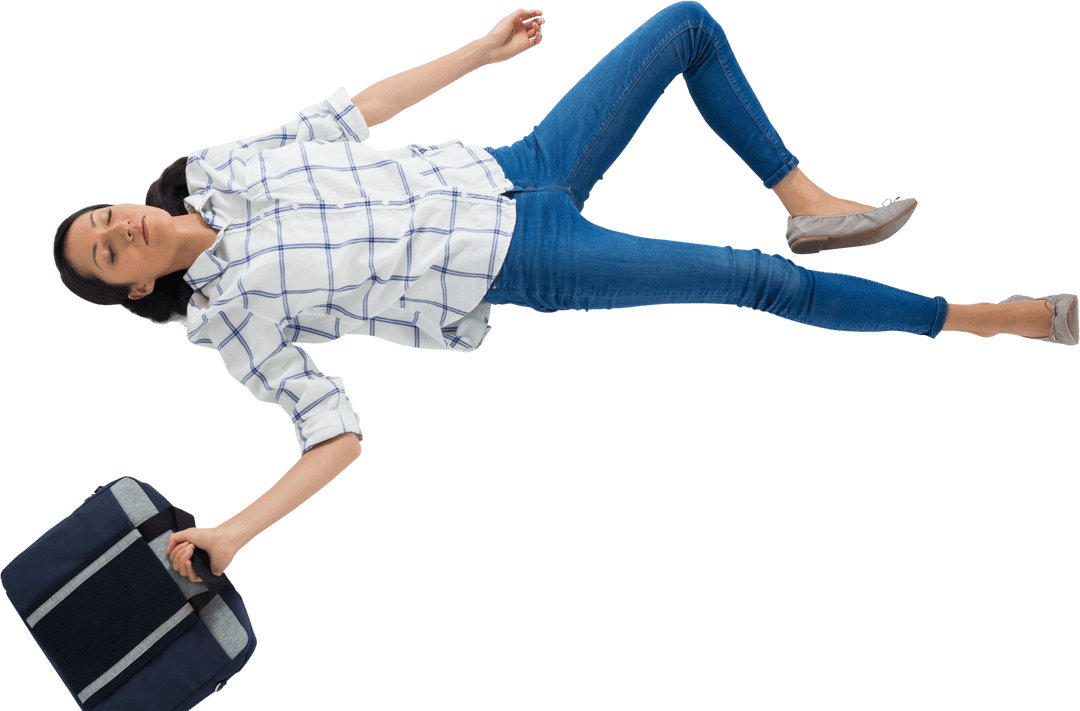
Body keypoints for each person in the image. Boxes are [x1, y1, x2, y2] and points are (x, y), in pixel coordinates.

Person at [50, 3, 1077, 585]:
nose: (116, 229)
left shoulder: (218, 167)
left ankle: (805, 199)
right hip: (527, 259)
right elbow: (334, 436)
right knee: (753, 280)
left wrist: (482, 50)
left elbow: (353, 115)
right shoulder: (229, 320)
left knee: (685, 25)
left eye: (103, 216)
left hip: (517, 162)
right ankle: (990, 319)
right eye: (105, 254)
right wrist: (232, 534)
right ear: (135, 286)